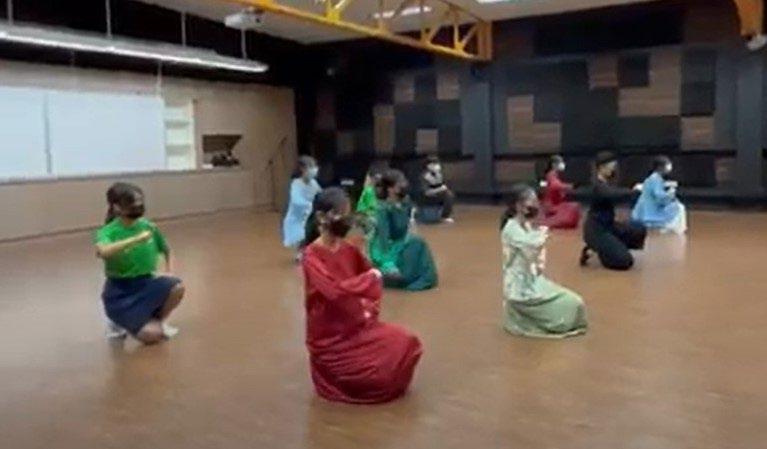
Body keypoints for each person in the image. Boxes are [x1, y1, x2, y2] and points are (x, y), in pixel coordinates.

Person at [301, 187, 423, 404]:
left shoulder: (348, 249)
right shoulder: (311, 257)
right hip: (331, 338)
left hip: (356, 325)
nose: (346, 220)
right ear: (321, 217)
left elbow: (369, 272)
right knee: (377, 375)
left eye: (347, 214)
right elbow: (334, 292)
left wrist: (369, 299)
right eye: (340, 214)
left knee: (407, 343)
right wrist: (370, 279)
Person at [95, 183, 184, 345]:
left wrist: (169, 272)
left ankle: (157, 320)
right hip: (120, 292)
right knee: (152, 336)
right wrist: (135, 240)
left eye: (139, 202)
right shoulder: (108, 231)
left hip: (145, 282)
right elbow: (103, 251)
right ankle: (118, 322)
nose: (137, 206)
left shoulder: (149, 227)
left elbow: (167, 250)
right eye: (131, 203)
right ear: (116, 207)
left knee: (177, 286)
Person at [500, 184, 588, 338]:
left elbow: (534, 257)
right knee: (572, 303)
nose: (536, 205)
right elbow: (530, 246)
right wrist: (542, 235)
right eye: (531, 201)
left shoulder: (526, 225)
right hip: (521, 289)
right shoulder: (511, 228)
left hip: (532, 280)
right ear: (519, 206)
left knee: (575, 302)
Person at [370, 169, 438, 291]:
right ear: (390, 189)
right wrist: (387, 263)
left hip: (401, 242)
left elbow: (409, 226)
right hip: (386, 248)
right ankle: (400, 277)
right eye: (400, 183)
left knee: (418, 243)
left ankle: (420, 279)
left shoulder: (405, 203)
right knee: (415, 244)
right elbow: (383, 237)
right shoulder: (384, 209)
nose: (404, 185)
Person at [581, 152, 647, 271]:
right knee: (625, 261)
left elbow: (616, 193)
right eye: (611, 167)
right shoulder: (597, 185)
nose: (613, 170)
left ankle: (611, 248)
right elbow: (612, 194)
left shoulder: (606, 183)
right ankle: (601, 251)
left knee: (638, 229)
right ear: (602, 167)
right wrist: (634, 191)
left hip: (609, 226)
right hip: (596, 231)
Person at [631, 156, 687, 235]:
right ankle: (670, 228)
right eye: (667, 165)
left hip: (645, 207)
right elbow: (659, 197)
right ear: (660, 167)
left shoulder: (653, 178)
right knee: (679, 207)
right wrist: (670, 194)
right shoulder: (655, 179)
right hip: (651, 208)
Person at [283, 156, 322, 258]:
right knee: (303, 232)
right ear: (302, 169)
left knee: (318, 228)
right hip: (298, 215)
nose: (314, 169)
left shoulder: (313, 183)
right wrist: (308, 204)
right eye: (310, 167)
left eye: (314, 166)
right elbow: (296, 200)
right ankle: (300, 251)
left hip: (311, 213)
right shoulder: (296, 184)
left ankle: (316, 249)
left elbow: (321, 194)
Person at [539, 155, 581, 229]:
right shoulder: (551, 175)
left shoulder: (553, 175)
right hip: (551, 206)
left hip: (554, 204)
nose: (562, 164)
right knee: (574, 207)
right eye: (560, 162)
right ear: (554, 164)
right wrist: (571, 186)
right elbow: (555, 185)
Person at [419, 156, 455, 223]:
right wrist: (439, 189)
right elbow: (426, 192)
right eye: (433, 164)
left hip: (438, 195)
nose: (436, 166)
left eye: (436, 164)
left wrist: (442, 188)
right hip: (427, 197)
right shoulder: (424, 176)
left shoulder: (440, 174)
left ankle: (445, 215)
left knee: (449, 195)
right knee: (447, 195)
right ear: (428, 166)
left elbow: (445, 184)